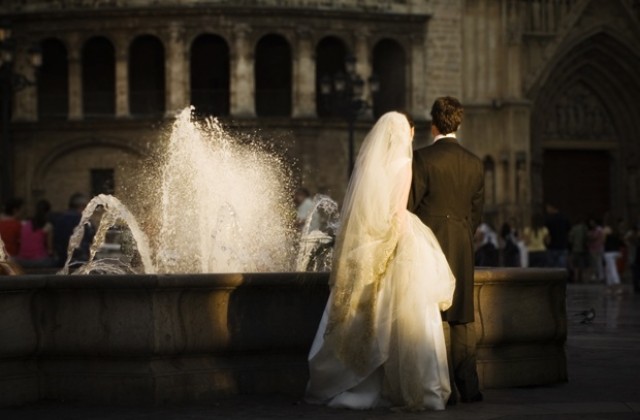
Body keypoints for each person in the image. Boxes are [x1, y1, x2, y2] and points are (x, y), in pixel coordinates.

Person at [306, 112, 456, 411]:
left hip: (368, 240)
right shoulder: (404, 163)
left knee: (366, 316)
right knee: (407, 316)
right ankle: (416, 387)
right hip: (396, 238)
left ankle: (356, 379)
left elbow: (365, 210)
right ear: (404, 135)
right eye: (410, 131)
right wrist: (393, 246)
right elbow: (398, 211)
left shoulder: (371, 166)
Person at [409, 96, 485, 405]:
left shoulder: (423, 159)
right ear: (458, 123)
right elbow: (477, 211)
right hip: (463, 243)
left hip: (431, 243)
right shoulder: (474, 162)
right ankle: (470, 387)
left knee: (437, 312)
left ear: (433, 124)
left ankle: (445, 387)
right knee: (463, 316)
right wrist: (464, 233)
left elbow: (410, 206)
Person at [52, 192, 91, 267]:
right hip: (79, 261)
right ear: (82, 206)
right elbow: (88, 241)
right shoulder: (82, 220)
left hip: (62, 260)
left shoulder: (59, 219)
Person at [15, 199, 56, 268]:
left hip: (22, 260)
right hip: (40, 261)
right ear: (48, 212)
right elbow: (50, 249)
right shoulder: (48, 226)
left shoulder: (24, 224)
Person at [545, 204, 570, 269]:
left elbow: (547, 233)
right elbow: (568, 230)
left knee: (551, 268)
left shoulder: (549, 220)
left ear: (552, 208)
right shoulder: (564, 218)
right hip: (562, 245)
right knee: (561, 267)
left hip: (552, 246)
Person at [568, 216, 589, 283]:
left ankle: (576, 278)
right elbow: (587, 237)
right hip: (583, 248)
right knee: (582, 265)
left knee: (575, 265)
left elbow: (570, 239)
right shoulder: (585, 228)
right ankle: (582, 278)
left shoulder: (574, 229)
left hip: (575, 248)